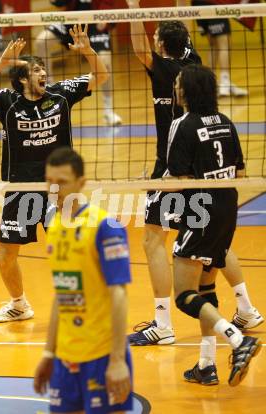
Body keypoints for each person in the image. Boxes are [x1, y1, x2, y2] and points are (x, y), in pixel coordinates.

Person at [125, 0, 262, 346]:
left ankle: (163, 323)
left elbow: (140, 48)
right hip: (208, 163)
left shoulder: (168, 72)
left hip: (176, 162)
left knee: (152, 237)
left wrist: (130, 9)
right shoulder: (195, 65)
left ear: (160, 46)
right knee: (213, 239)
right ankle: (246, 308)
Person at [0, 24, 109, 323]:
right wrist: (2, 63)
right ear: (22, 79)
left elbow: (102, 76)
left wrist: (86, 51)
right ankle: (19, 305)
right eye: (36, 70)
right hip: (21, 188)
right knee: (7, 254)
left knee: (70, 250)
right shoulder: (7, 103)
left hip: (58, 189)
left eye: (44, 69)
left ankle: (85, 304)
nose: (43, 73)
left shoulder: (60, 95)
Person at [167, 64, 261, 386]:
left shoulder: (182, 124)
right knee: (206, 288)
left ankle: (238, 340)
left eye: (178, 83)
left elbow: (179, 181)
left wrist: (152, 186)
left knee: (183, 295)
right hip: (227, 207)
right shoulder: (226, 122)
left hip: (199, 208)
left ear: (187, 90)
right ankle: (206, 365)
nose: (175, 88)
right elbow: (239, 173)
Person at [34, 147, 132, 413]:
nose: (55, 189)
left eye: (62, 182)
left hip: (101, 356)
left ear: (81, 183)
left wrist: (117, 359)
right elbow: (61, 295)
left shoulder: (105, 227)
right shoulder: (55, 226)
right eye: (49, 182)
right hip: (66, 357)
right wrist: (48, 352)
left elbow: (119, 295)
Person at [35, 0, 122, 126]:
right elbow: (60, 3)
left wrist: (105, 16)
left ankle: (108, 111)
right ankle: (50, 92)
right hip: (72, 19)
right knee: (41, 41)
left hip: (95, 21)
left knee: (105, 63)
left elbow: (109, 4)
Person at [180, 0, 248, 97]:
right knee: (224, 44)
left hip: (198, 4)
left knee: (214, 45)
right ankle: (225, 82)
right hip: (213, 3)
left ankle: (209, 84)